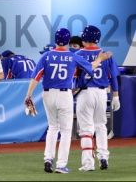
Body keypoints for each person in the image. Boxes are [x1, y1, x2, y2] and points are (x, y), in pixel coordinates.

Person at [24, 28, 112, 174]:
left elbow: (36, 77)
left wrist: (29, 95)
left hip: (48, 94)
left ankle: (48, 159)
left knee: (53, 127)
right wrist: (99, 59)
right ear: (68, 41)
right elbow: (91, 67)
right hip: (64, 95)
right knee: (65, 131)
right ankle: (61, 165)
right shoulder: (72, 56)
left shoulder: (46, 56)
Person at [75, 25, 120, 171]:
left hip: (86, 93)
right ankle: (103, 158)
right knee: (101, 126)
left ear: (85, 38)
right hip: (102, 93)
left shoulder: (78, 54)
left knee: (86, 130)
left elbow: (74, 77)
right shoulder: (106, 54)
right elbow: (113, 77)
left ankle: (88, 164)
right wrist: (116, 96)